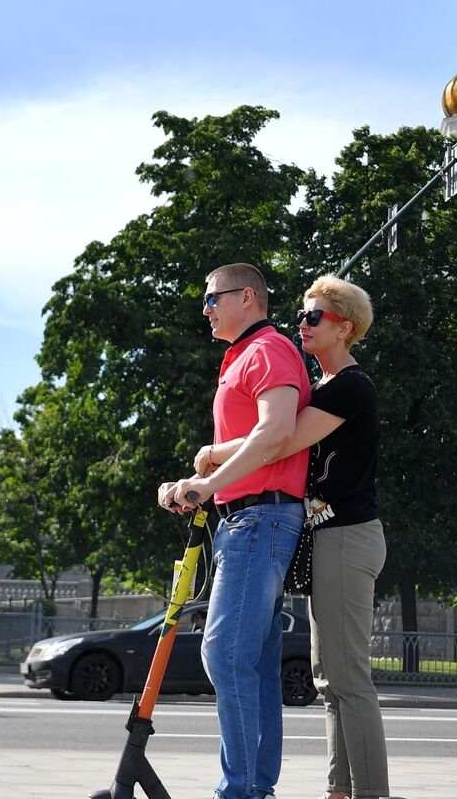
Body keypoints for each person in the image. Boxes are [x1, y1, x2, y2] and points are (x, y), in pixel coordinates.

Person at [189, 275, 389, 799]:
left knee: (348, 680)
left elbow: (279, 443)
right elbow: (271, 437)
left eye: (313, 317)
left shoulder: (350, 386)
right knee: (327, 681)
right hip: (324, 537)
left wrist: (211, 461)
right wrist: (220, 455)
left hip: (349, 534)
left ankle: (368, 794)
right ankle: (338, 790)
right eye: (301, 314)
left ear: (345, 328)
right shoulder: (321, 388)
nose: (301, 323)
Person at [159, 263, 308, 799]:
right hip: (244, 520)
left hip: (259, 518)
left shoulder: (268, 350)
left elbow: (274, 433)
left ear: (247, 297)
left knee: (222, 653)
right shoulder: (242, 357)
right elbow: (253, 442)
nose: (205, 309)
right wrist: (197, 480)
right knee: (256, 664)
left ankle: (241, 790)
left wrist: (209, 483)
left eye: (212, 298)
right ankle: (254, 787)